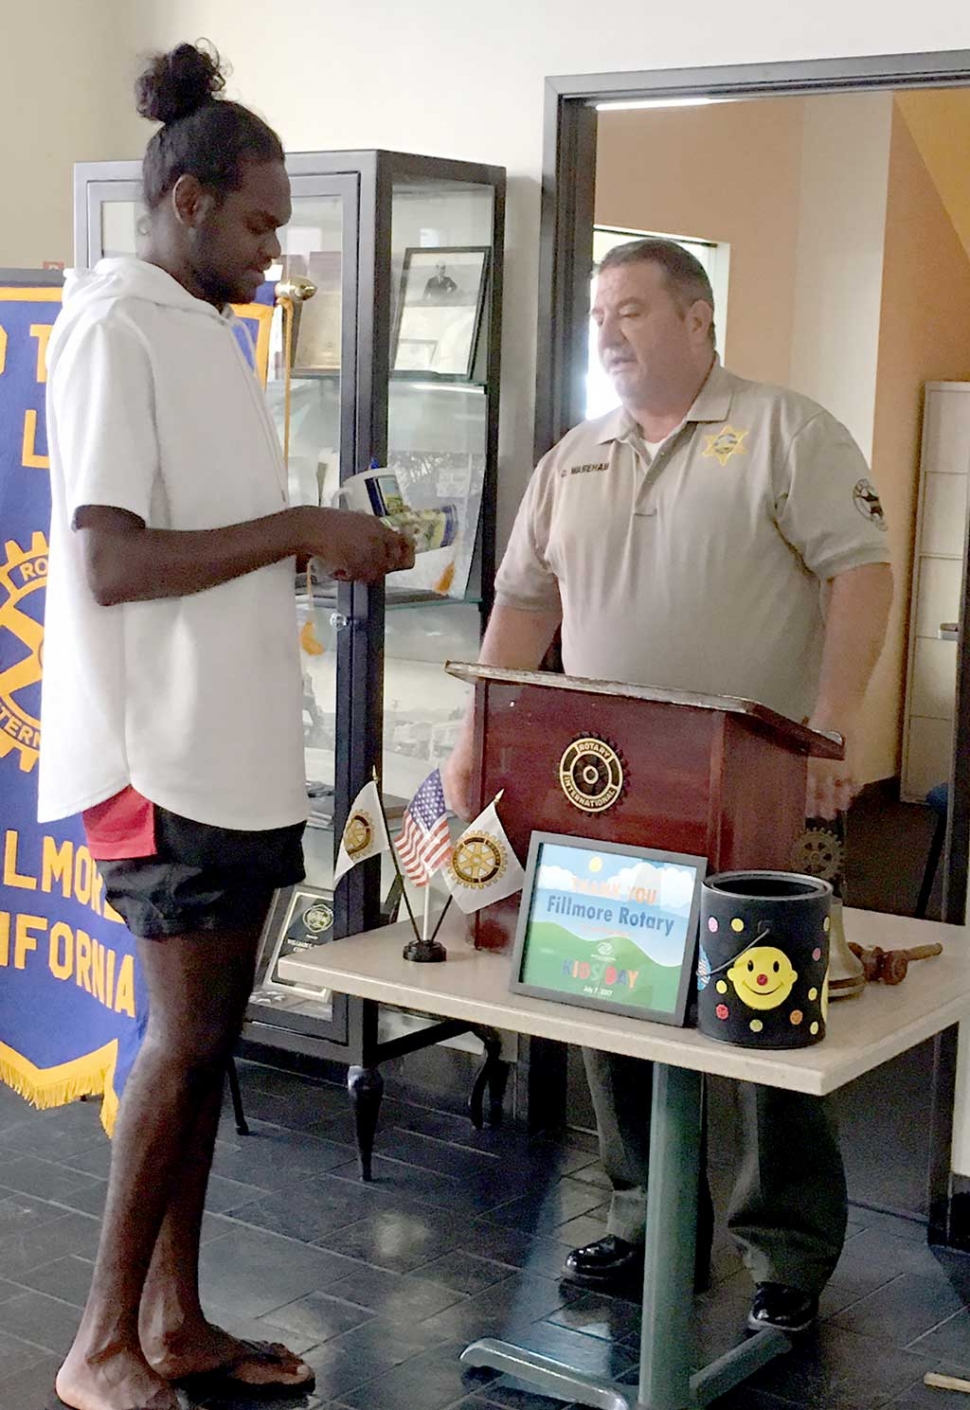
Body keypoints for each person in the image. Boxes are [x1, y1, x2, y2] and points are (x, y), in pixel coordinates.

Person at [38, 43, 413, 1410]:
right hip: (162, 754)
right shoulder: (115, 326)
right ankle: (95, 1347)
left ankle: (173, 1321)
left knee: (208, 1044)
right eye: (259, 224)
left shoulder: (201, 330)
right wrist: (301, 526)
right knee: (183, 1040)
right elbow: (113, 564)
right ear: (188, 202)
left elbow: (201, 550)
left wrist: (304, 549)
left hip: (235, 748)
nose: (273, 252)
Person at [444, 237, 893, 1334]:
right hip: (607, 801)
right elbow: (521, 612)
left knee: (767, 1023)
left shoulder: (787, 432)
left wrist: (829, 731)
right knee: (617, 999)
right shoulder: (573, 457)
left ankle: (785, 1248)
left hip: (759, 798)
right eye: (599, 311)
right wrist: (473, 741)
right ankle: (655, 1224)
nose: (607, 329)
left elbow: (861, 578)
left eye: (631, 308)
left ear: (698, 319)